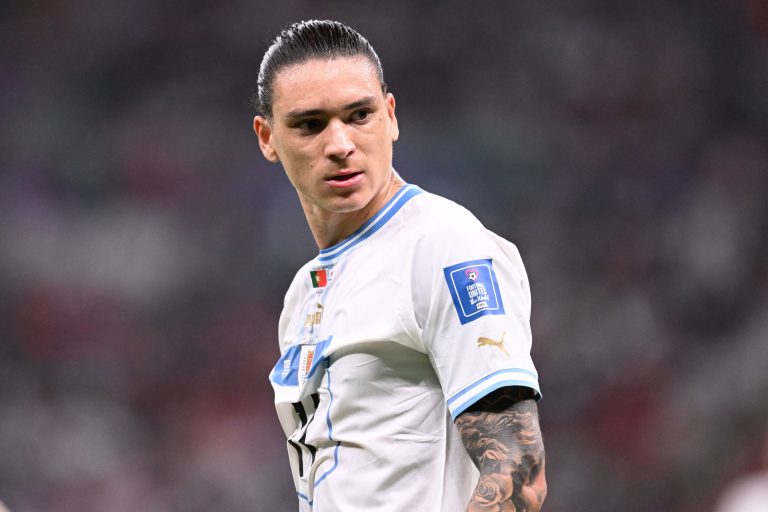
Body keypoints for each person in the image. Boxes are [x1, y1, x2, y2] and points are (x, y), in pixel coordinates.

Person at [253, 20, 546, 511]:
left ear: (390, 116)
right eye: (310, 124)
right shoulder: (304, 293)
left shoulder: (442, 247)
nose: (340, 143)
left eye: (359, 115)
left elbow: (518, 475)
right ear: (267, 137)